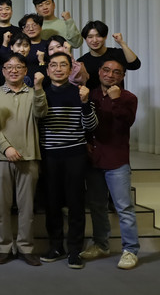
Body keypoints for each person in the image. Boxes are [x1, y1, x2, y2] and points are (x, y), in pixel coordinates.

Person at [0, 53, 47, 266]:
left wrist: (39, 88)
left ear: (25, 71)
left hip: (29, 156)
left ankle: (26, 248)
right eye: (9, 67)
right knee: (2, 207)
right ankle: (3, 248)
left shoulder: (34, 93)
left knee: (27, 208)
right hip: (0, 158)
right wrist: (6, 148)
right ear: (3, 71)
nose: (13, 70)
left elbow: (41, 113)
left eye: (18, 67)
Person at [39, 52, 98, 269]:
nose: (58, 69)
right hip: (49, 155)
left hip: (75, 154)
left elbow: (91, 126)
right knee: (52, 203)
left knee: (76, 203)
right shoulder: (41, 94)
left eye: (63, 65)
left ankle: (75, 250)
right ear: (47, 70)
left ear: (70, 69)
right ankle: (56, 246)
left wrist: (85, 103)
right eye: (53, 65)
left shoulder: (81, 92)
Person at [82, 59, 140, 270]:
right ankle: (101, 244)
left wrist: (115, 101)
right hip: (94, 159)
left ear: (122, 76)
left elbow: (127, 122)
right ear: (99, 72)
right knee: (97, 205)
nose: (110, 75)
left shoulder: (128, 97)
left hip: (117, 160)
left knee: (124, 207)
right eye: (106, 70)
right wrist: (86, 142)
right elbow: (85, 123)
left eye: (116, 72)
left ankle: (130, 250)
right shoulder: (91, 95)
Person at [78, 20, 141, 89]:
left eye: (98, 36)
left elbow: (135, 65)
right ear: (85, 39)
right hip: (92, 96)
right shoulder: (81, 62)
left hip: (117, 95)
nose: (95, 40)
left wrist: (122, 43)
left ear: (105, 37)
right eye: (90, 37)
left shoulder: (117, 53)